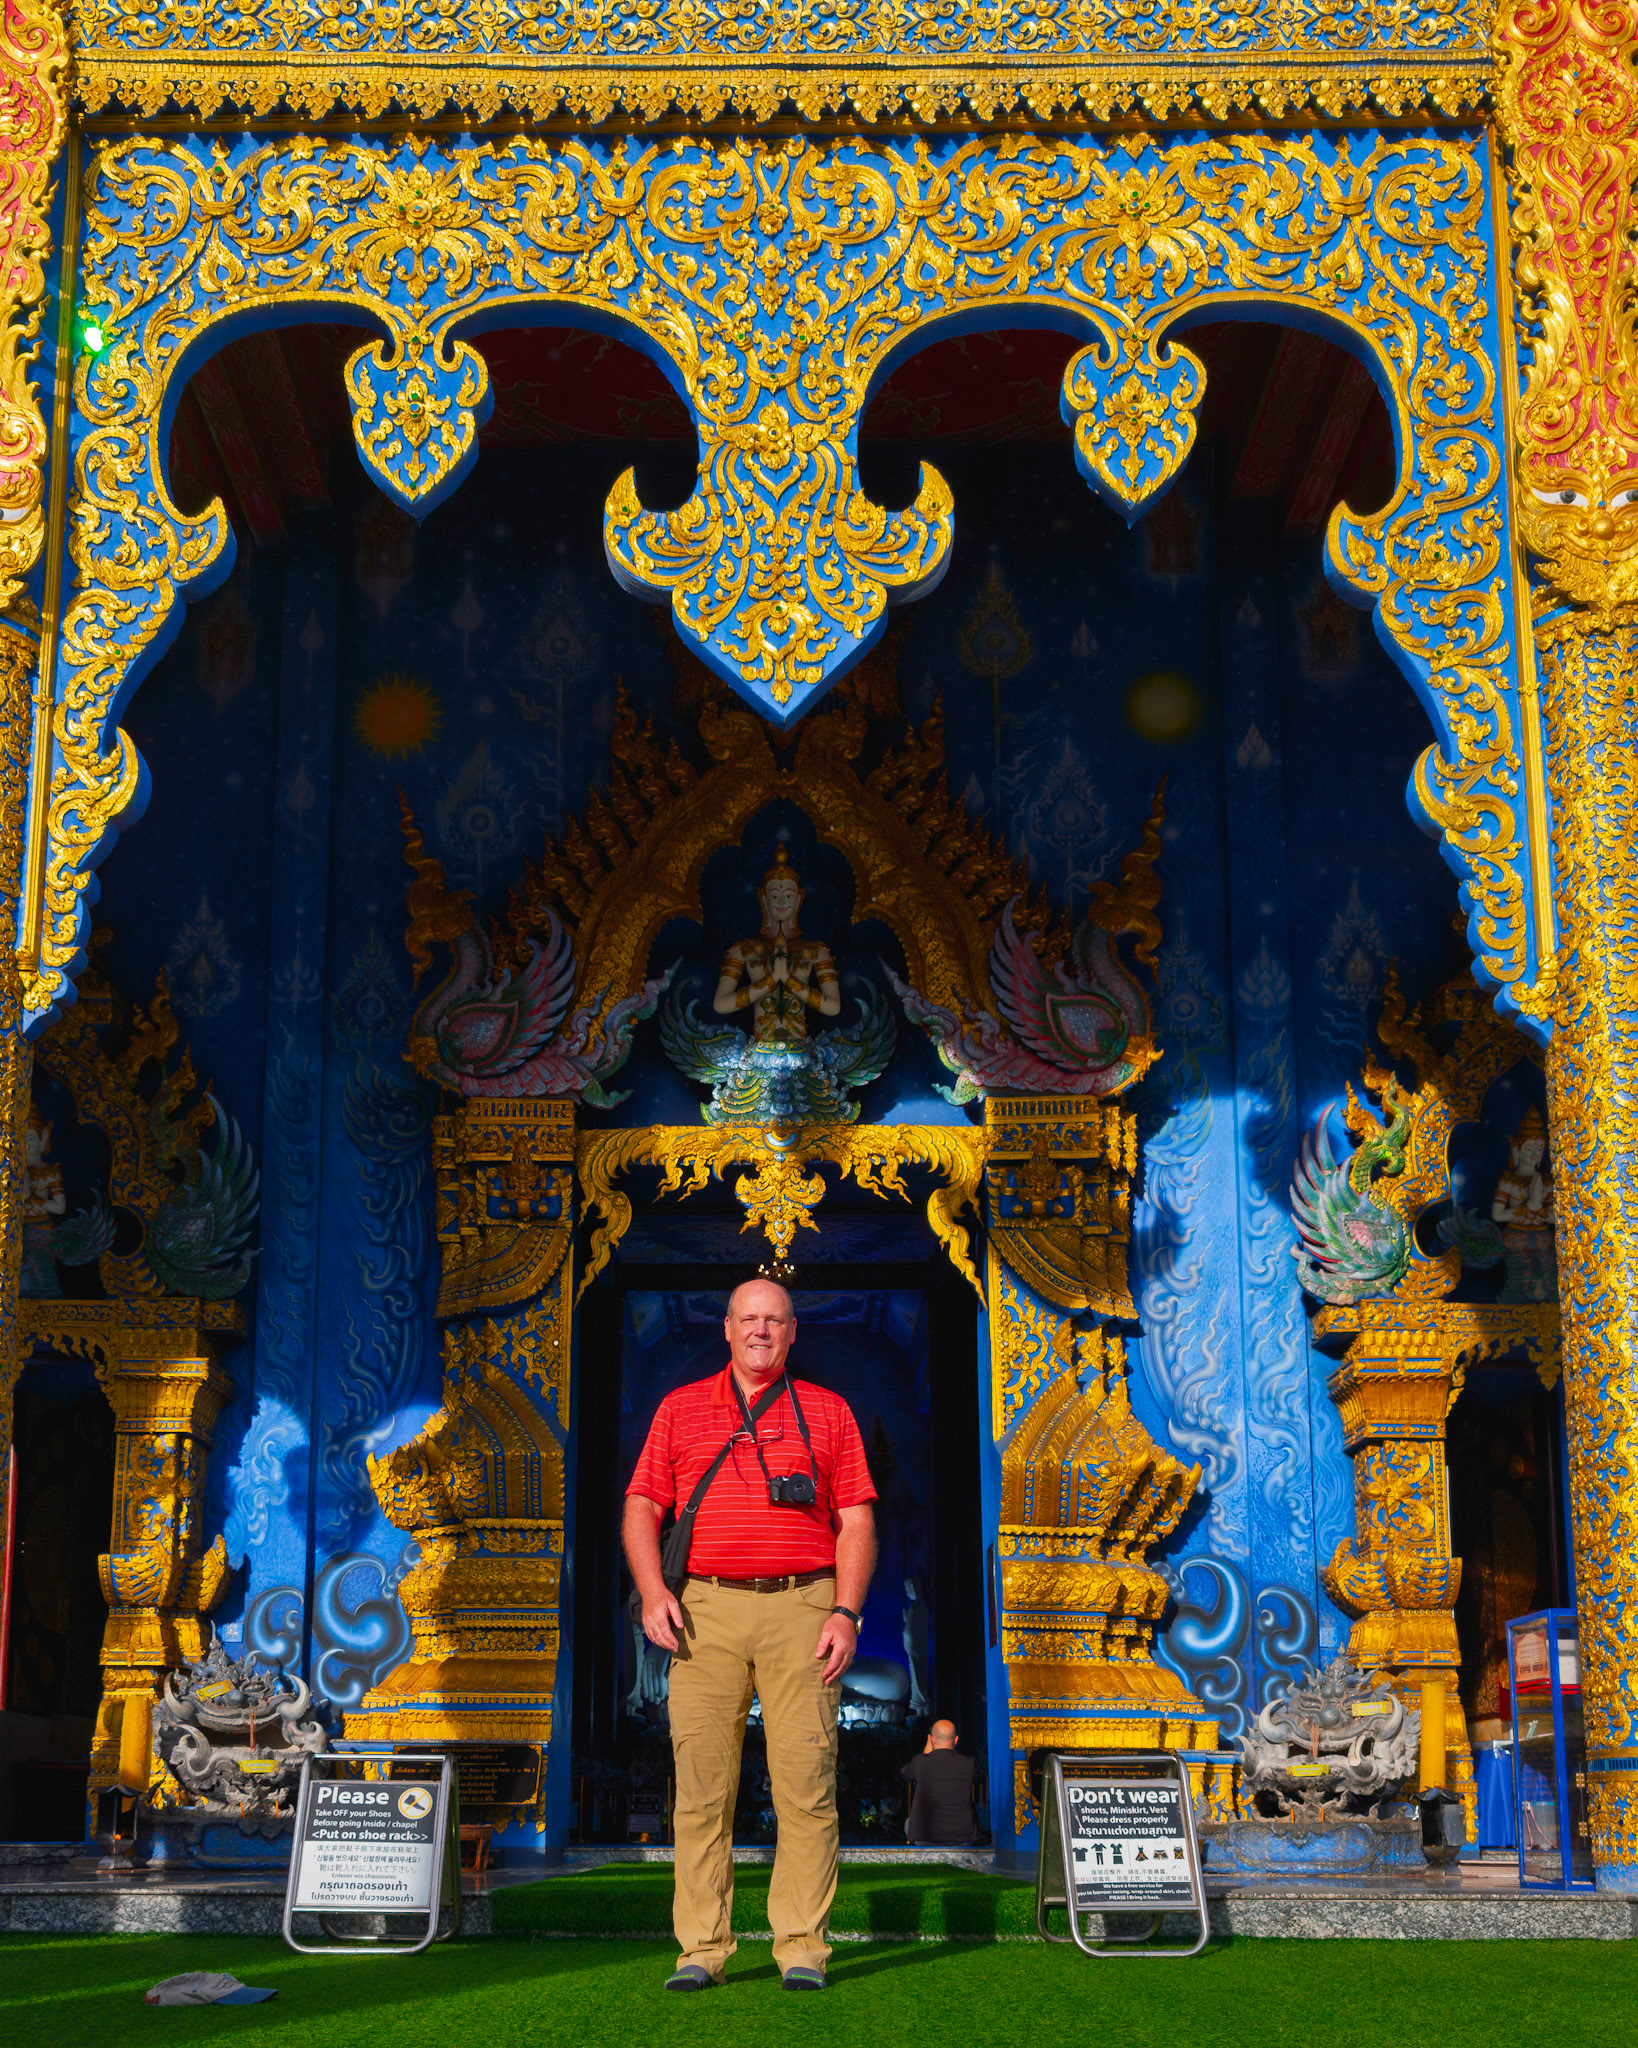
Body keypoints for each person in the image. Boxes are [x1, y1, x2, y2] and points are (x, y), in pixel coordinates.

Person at [624, 1275, 877, 1993]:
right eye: (749, 1319)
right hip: (704, 1609)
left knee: (807, 1781)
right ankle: (701, 1949)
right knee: (701, 1790)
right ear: (726, 1330)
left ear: (794, 1332)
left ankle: (802, 1946)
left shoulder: (829, 1412)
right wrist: (651, 1593)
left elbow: (855, 1520)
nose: (762, 1330)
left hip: (806, 1605)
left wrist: (846, 1612)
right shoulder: (679, 1409)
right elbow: (642, 1504)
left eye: (775, 1320)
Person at [900, 1721, 977, 1846]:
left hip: (925, 1836)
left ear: (932, 1740)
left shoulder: (921, 1762)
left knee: (908, 1823)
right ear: (956, 1740)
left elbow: (904, 1775)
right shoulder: (969, 1763)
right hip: (962, 1836)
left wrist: (925, 1753)